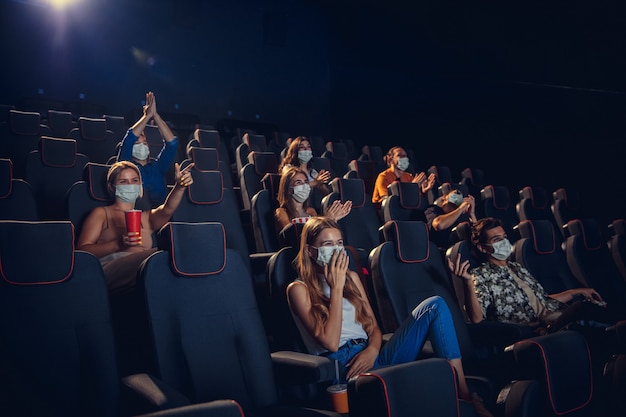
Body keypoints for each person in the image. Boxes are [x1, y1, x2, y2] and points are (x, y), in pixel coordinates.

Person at [287, 217, 492, 416]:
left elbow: (374, 328)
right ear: (311, 251)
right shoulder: (298, 289)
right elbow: (330, 342)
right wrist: (336, 288)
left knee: (435, 305)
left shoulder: (352, 277)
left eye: (339, 243)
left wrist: (372, 350)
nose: (336, 249)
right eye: (327, 244)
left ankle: (463, 394)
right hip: (343, 368)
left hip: (372, 354)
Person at [447, 217, 615, 332]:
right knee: (583, 310)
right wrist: (468, 282)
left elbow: (543, 300)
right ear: (483, 247)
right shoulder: (481, 275)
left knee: (599, 304)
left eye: (504, 237)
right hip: (539, 328)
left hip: (556, 315)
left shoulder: (517, 268)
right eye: (497, 240)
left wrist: (576, 292)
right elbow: (476, 319)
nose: (505, 243)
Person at [77, 160, 194, 296]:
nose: (130, 185)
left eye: (134, 180)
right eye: (123, 182)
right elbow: (82, 251)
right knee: (164, 255)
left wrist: (179, 187)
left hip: (145, 271)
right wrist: (118, 244)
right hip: (111, 268)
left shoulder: (145, 217)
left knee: (175, 257)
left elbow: (167, 210)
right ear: (111, 186)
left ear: (140, 185)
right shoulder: (101, 213)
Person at [117, 91, 178, 208]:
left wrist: (156, 116)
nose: (142, 146)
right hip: (134, 216)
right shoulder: (125, 166)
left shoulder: (158, 167)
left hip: (160, 215)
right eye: (137, 143)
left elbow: (172, 143)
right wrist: (147, 116)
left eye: (144, 143)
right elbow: (129, 139)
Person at [274, 166, 352, 234]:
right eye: (298, 182)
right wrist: (326, 220)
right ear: (288, 189)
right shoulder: (282, 212)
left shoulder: (311, 211)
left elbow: (318, 236)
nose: (304, 186)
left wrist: (332, 220)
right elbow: (292, 236)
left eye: (306, 182)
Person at [371, 146, 435, 207]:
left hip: (407, 208)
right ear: (390, 159)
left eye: (405, 156)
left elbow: (412, 198)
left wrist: (423, 191)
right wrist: (411, 187)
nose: (404, 158)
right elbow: (389, 201)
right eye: (399, 155)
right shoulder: (383, 177)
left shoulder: (408, 176)